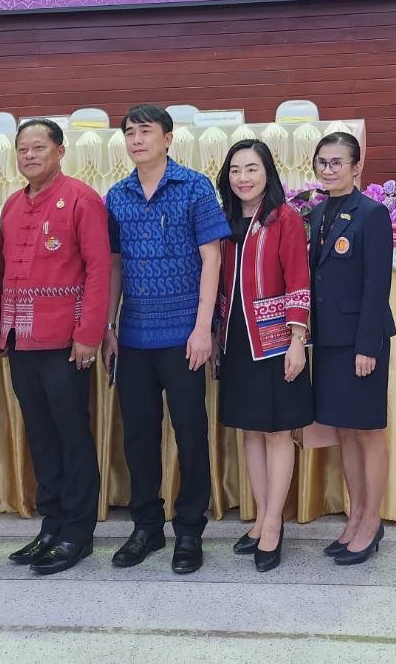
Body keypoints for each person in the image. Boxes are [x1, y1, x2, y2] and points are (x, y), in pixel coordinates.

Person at [103, 104, 231, 574]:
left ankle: (190, 530)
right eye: (130, 133)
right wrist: (109, 326)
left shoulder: (195, 187)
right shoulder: (117, 195)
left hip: (184, 334)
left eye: (146, 132)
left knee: (190, 433)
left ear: (168, 138)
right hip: (134, 334)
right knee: (138, 435)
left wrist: (203, 327)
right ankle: (147, 526)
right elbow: (115, 265)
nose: (137, 140)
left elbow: (212, 258)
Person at [0, 119, 111, 575]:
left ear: (60, 151)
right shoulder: (12, 204)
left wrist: (88, 335)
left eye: (38, 147)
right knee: (41, 435)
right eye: (22, 149)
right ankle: (51, 525)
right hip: (20, 338)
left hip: (66, 341)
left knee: (71, 434)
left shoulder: (82, 198)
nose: (29, 156)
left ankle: (78, 532)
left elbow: (99, 270)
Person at [213, 139, 313, 573]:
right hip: (236, 339)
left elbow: (298, 278)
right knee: (250, 431)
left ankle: (274, 523)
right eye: (236, 170)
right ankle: (258, 516)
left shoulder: (284, 217)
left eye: (252, 169)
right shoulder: (225, 219)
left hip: (273, 340)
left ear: (267, 173)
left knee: (277, 432)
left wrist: (297, 340)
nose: (243, 178)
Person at [308, 131, 394, 565]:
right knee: (344, 432)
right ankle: (355, 515)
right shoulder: (317, 212)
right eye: (322, 162)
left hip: (361, 342)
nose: (328, 170)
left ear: (357, 167)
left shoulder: (372, 214)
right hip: (328, 341)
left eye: (337, 162)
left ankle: (372, 521)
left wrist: (367, 347)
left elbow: (377, 285)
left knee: (367, 431)